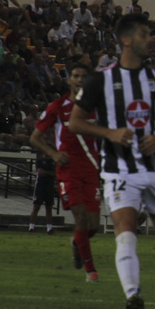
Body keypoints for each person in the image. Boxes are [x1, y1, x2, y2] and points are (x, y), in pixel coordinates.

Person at [70, 14, 155, 309]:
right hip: (118, 168)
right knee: (126, 230)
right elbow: (75, 121)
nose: (152, 39)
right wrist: (110, 133)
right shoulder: (100, 80)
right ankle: (133, 295)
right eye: (145, 34)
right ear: (126, 39)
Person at [30, 63, 102, 282]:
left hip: (91, 169)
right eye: (76, 76)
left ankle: (75, 243)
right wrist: (53, 154)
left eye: (84, 76)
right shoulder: (58, 106)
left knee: (92, 226)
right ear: (69, 80)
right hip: (68, 169)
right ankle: (91, 271)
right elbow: (34, 137)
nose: (80, 79)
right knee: (80, 219)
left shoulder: (97, 107)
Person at [28, 155, 56, 235]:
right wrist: (50, 173)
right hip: (40, 186)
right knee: (36, 206)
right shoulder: (39, 160)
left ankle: (49, 229)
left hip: (50, 186)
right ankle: (31, 227)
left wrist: (46, 173)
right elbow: (40, 172)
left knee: (49, 207)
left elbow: (56, 173)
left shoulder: (53, 161)